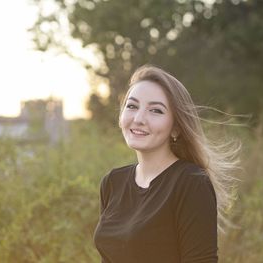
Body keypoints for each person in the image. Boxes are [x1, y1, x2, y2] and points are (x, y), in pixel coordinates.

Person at [93, 65, 239, 263]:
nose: (139, 119)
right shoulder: (112, 182)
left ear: (176, 128)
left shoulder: (191, 182)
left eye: (155, 110)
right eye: (132, 106)